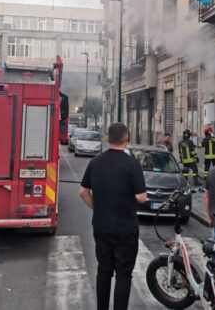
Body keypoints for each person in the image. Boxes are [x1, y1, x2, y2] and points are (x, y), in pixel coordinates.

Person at [79, 123, 147, 310]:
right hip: (126, 228)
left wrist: (97, 208)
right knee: (123, 275)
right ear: (127, 139)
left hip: (101, 225)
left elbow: (83, 192)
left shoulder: (95, 162)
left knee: (104, 271)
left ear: (108, 138)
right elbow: (141, 197)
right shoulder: (132, 164)